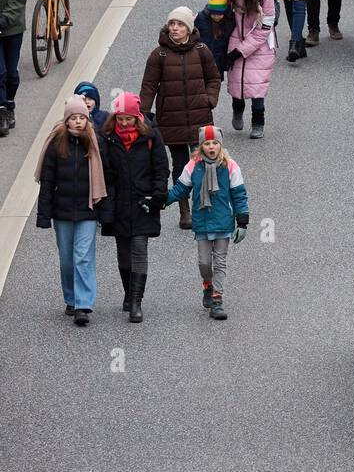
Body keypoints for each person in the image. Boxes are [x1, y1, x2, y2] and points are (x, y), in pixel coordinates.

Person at [139, 6, 221, 232]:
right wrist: (143, 115)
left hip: (199, 118)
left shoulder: (202, 50)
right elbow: (148, 87)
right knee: (180, 167)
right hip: (171, 121)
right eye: (172, 24)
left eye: (180, 24)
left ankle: (201, 208)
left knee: (203, 165)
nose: (175, 28)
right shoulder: (159, 55)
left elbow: (214, 77)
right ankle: (184, 212)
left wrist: (210, 99)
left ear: (189, 28)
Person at [165, 124, 249, 321]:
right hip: (202, 222)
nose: (211, 147)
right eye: (207, 143)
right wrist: (161, 201)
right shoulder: (193, 165)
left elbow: (239, 195)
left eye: (215, 143)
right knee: (204, 262)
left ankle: (217, 300)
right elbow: (180, 189)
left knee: (220, 262)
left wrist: (242, 222)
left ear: (220, 145)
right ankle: (207, 285)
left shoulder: (230, 166)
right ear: (201, 146)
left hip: (222, 222)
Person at [97, 91, 168, 323]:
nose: (124, 122)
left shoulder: (151, 136)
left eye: (128, 118)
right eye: (120, 118)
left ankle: (136, 301)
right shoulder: (107, 137)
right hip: (118, 203)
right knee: (123, 251)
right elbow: (104, 171)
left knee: (139, 248)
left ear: (137, 116)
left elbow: (160, 168)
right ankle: (128, 292)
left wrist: (158, 196)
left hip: (143, 202)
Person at [35, 96, 107, 325]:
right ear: (66, 121)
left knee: (83, 258)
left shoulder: (96, 143)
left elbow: (107, 178)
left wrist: (105, 211)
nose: (78, 122)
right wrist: (43, 215)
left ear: (87, 120)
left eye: (81, 118)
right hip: (62, 211)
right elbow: (47, 181)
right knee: (67, 259)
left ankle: (83, 305)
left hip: (87, 210)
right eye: (73, 118)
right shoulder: (56, 145)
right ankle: (71, 298)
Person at [225, 0, 275, 136]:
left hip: (261, 46)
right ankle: (237, 109)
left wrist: (240, 51)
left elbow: (264, 30)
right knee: (236, 82)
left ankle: (258, 122)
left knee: (257, 86)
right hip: (235, 39)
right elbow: (216, 11)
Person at [0, 0, 27, 137]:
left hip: (12, 27)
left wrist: (4, 19)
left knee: (11, 74)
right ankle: (1, 112)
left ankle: (10, 106)